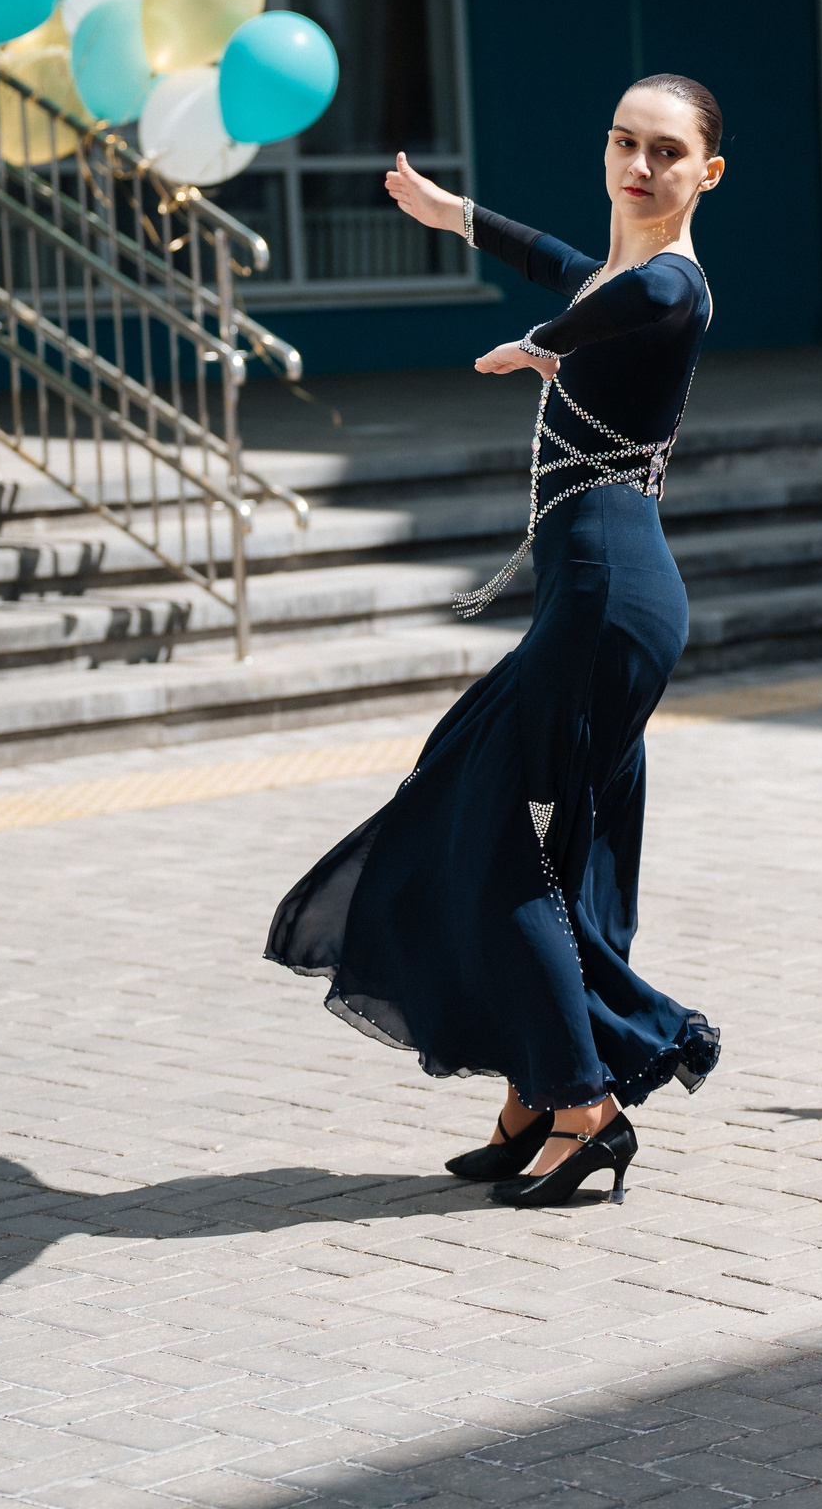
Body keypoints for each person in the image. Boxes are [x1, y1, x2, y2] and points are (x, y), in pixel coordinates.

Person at [265, 76, 728, 1205]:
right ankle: (541, 1086)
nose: (640, 164)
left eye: (667, 151)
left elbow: (623, 306)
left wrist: (542, 344)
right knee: (538, 836)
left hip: (609, 599)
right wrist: (450, 213)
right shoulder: (617, 272)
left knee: (483, 829)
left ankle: (582, 1096)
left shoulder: (671, 285)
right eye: (624, 141)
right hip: (597, 600)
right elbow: (552, 259)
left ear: (705, 173)